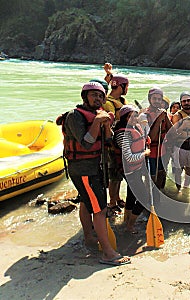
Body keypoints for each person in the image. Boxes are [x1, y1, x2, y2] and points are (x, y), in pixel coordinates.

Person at [61, 82, 130, 265]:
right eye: (94, 95)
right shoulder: (74, 116)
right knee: (100, 209)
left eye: (100, 96)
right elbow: (86, 143)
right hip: (83, 170)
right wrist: (98, 121)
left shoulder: (96, 115)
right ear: (85, 97)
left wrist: (106, 125)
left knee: (85, 202)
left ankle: (89, 238)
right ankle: (108, 253)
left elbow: (108, 141)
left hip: (95, 168)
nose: (98, 99)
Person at [113, 105, 150, 233]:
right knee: (144, 199)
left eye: (135, 115)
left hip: (136, 169)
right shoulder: (123, 134)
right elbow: (128, 157)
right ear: (125, 118)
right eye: (131, 116)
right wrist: (144, 154)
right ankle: (130, 225)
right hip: (129, 172)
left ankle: (126, 219)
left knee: (131, 195)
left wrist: (145, 140)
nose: (134, 118)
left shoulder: (135, 128)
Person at [103, 73, 130, 213]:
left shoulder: (120, 100)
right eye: (126, 86)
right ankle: (112, 202)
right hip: (114, 145)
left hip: (122, 142)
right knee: (114, 174)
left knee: (119, 173)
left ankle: (117, 197)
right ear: (121, 86)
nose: (127, 89)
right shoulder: (108, 102)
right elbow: (111, 125)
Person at [140, 87, 173, 196]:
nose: (157, 101)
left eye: (159, 99)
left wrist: (165, 118)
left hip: (162, 152)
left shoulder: (163, 114)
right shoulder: (144, 115)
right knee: (151, 178)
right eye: (155, 99)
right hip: (151, 153)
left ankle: (157, 196)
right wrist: (158, 119)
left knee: (160, 175)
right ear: (150, 99)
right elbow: (151, 138)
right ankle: (147, 199)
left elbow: (172, 131)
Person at [171, 92, 190, 192]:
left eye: (188, 100)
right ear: (181, 103)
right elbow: (174, 133)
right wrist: (184, 126)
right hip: (180, 147)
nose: (186, 103)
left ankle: (185, 189)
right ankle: (178, 190)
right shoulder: (177, 115)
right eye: (184, 101)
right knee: (179, 170)